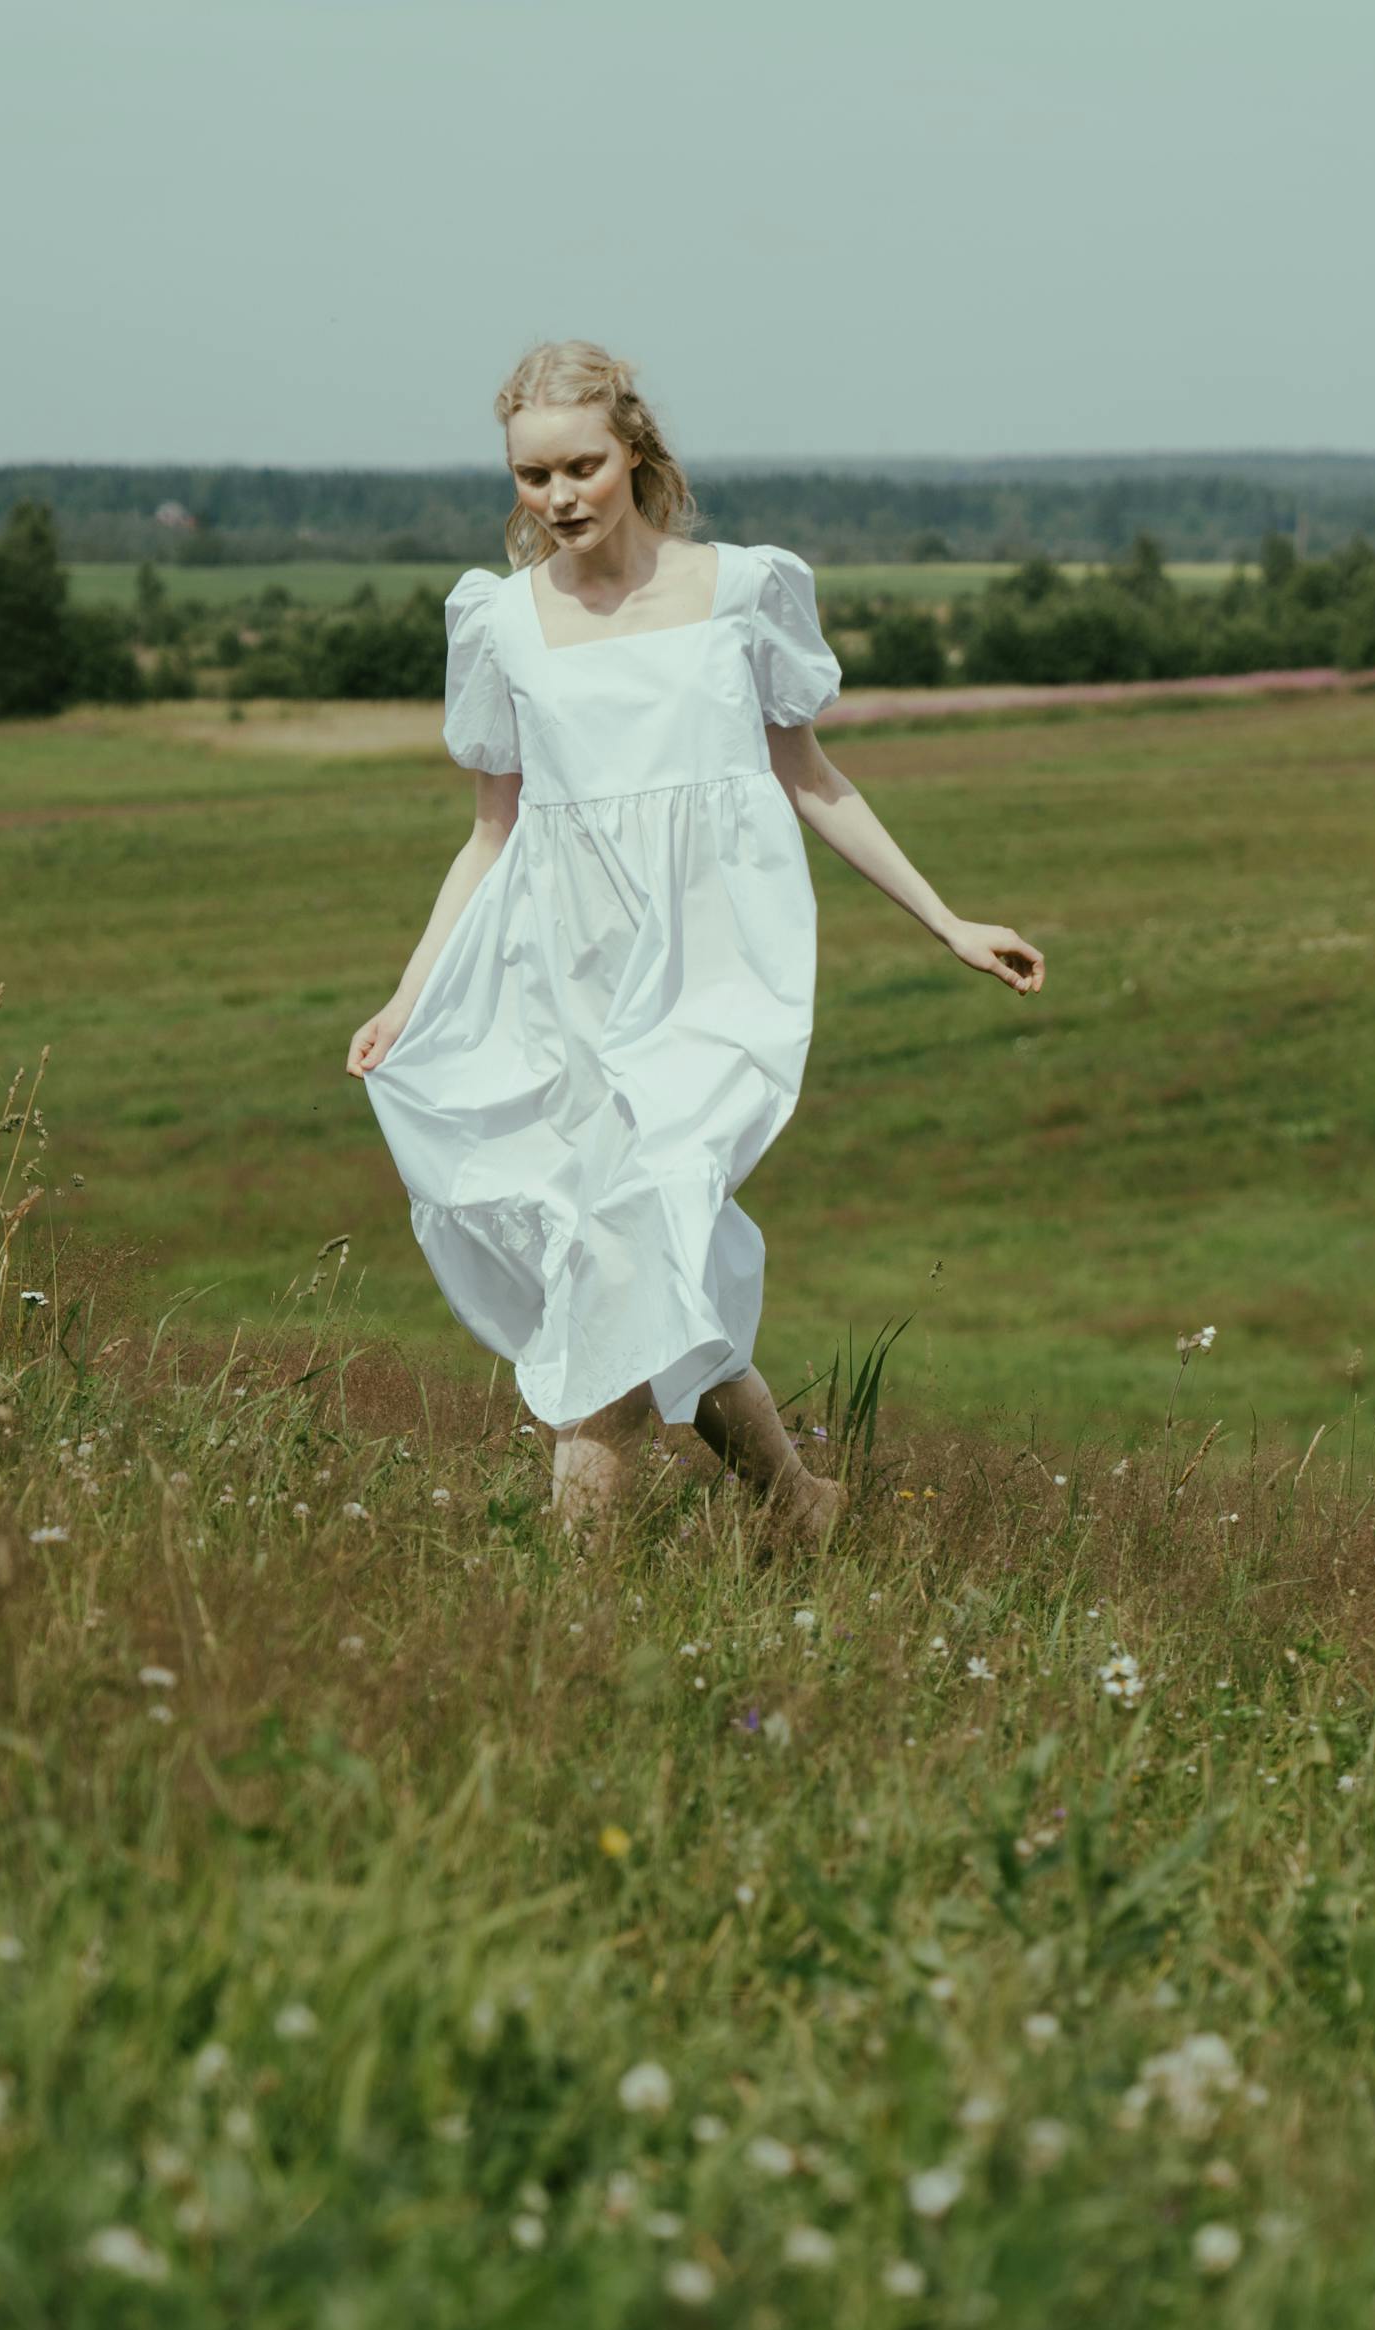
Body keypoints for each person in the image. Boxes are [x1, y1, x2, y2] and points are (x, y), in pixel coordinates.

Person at [346, 340, 1044, 1543]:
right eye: (530, 476)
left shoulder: (739, 592)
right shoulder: (500, 621)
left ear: (634, 455)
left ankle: (570, 1630)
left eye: (581, 465)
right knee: (637, 1263)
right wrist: (409, 998)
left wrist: (946, 919)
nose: (558, 496)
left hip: (714, 980)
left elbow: (809, 775)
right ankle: (801, 1505)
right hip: (559, 982)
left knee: (625, 1257)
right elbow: (489, 834)